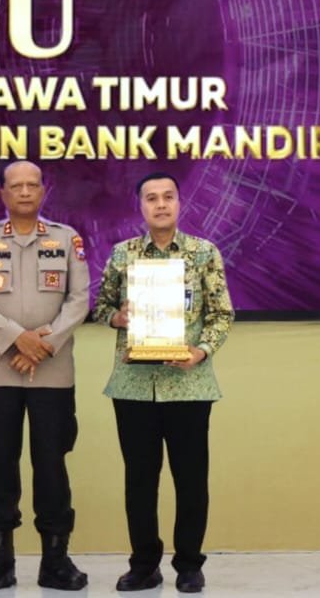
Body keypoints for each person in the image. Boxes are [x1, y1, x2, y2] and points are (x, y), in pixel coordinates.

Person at [93, 172, 235, 594]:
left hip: (189, 385)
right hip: (133, 386)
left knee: (191, 479)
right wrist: (117, 317)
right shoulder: (123, 254)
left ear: (179, 203)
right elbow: (100, 306)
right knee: (140, 480)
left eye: (168, 197)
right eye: (151, 198)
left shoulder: (203, 253)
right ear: (140, 206)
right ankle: (143, 565)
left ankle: (189, 564)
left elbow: (221, 314)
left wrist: (201, 351)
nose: (160, 204)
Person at [0, 161, 90, 591]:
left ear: (43, 191)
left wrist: (44, 344)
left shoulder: (66, 239)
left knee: (51, 465)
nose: (24, 192)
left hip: (53, 372)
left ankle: (56, 561)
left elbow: (79, 300)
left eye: (32, 185)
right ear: (2, 193)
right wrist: (18, 339)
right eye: (15, 186)